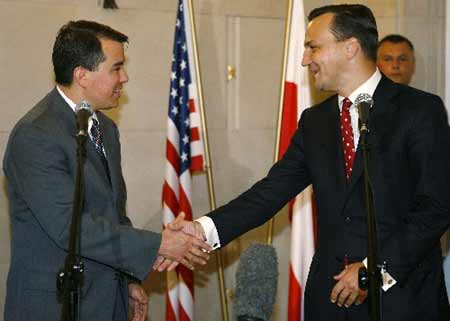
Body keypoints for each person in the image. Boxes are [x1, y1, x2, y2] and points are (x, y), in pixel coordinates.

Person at [157, 4, 450, 321]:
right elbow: (270, 192)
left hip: (403, 299)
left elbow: (436, 206)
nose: (305, 59)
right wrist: (201, 230)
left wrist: (373, 270)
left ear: (350, 47)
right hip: (331, 301)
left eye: (314, 47)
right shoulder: (316, 121)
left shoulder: (420, 111)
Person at [2, 20, 210, 321]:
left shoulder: (105, 130)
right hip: (55, 308)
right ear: (81, 75)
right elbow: (70, 228)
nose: (125, 77)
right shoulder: (35, 135)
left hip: (106, 302)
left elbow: (112, 215)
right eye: (116, 68)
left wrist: (127, 279)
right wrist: (161, 244)